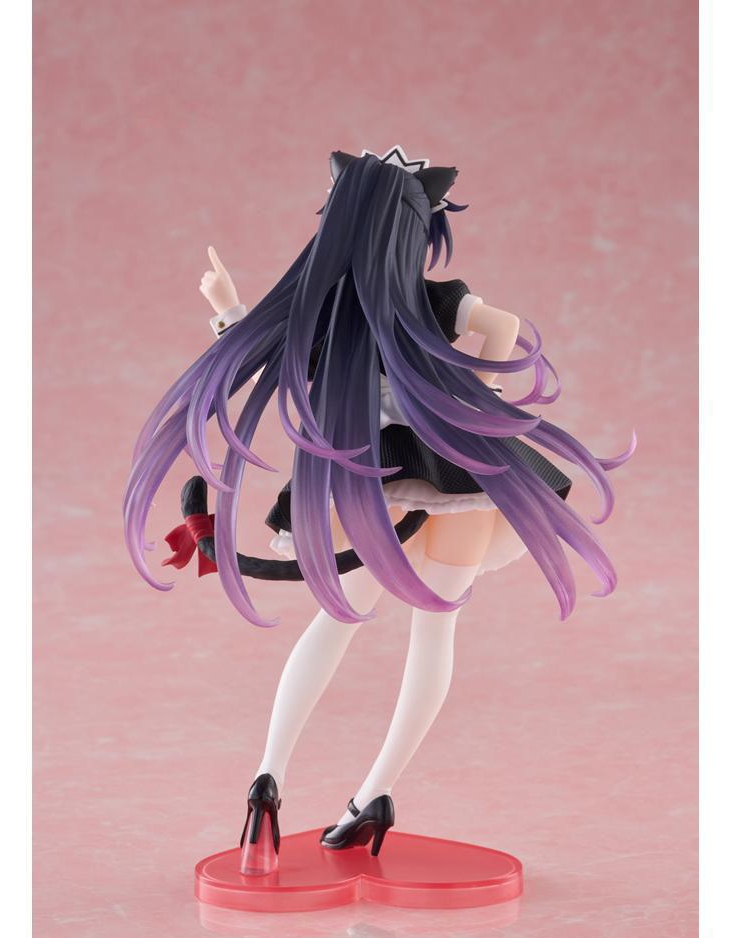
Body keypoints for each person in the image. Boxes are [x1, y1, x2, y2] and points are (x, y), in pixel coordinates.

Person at [124, 147, 633, 873]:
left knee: (338, 620)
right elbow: (505, 327)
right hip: (454, 477)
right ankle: (376, 795)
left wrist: (228, 308)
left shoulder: (332, 310)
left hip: (367, 478)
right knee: (433, 630)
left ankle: (268, 779)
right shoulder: (437, 302)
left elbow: (272, 361)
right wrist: (468, 395)